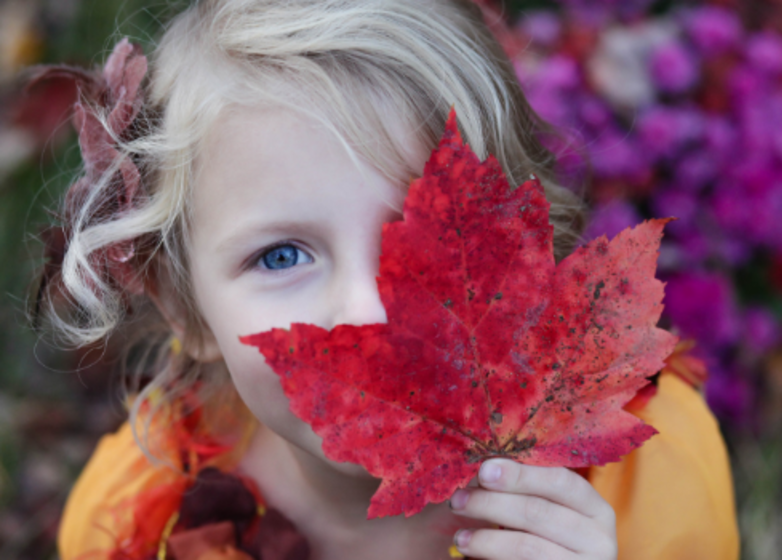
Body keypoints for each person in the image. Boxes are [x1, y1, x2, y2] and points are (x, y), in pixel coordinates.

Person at [33, 1, 739, 558]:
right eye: (281, 256)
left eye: (426, 236)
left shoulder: (645, 482)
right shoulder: (138, 522)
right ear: (183, 308)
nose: (370, 308)